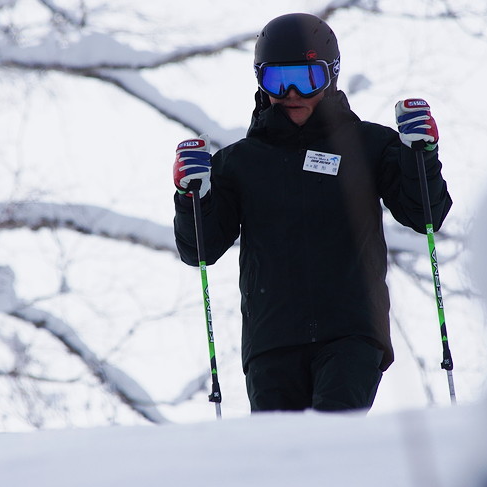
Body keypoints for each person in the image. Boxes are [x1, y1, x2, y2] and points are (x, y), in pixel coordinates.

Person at [173, 13, 451, 413]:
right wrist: (191, 196)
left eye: (306, 79)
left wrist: (420, 156)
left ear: (331, 77)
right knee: (280, 459)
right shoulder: (240, 163)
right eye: (276, 80)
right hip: (272, 341)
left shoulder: (366, 145)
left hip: (351, 332)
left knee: (334, 438)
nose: (291, 93)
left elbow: (425, 213)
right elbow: (200, 250)